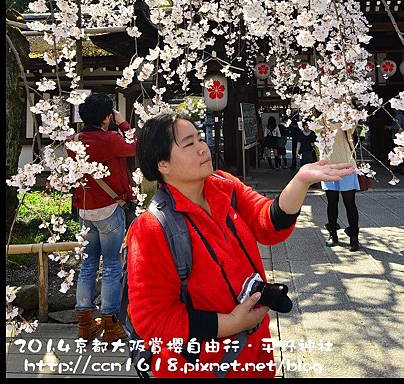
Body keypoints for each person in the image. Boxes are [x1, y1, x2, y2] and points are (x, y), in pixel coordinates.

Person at [126, 112, 355, 379]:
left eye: (200, 139)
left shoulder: (225, 186)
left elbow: (267, 223)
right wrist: (231, 324)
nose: (203, 148)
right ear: (162, 163)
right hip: (201, 367)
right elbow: (153, 320)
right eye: (189, 144)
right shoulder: (152, 229)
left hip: (255, 352)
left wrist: (300, 181)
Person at [66, 93, 137, 342]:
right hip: (109, 208)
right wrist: (123, 123)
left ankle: (85, 324)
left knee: (87, 264)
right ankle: (110, 323)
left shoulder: (72, 141)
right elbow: (134, 144)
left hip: (85, 210)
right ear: (107, 117)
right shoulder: (111, 140)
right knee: (111, 265)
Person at [319, 120, 360, 252]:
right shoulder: (320, 119)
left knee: (350, 203)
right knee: (332, 202)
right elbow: (317, 132)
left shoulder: (345, 116)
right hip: (328, 166)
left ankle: (354, 236)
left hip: (346, 164)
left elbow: (351, 130)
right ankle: (333, 233)